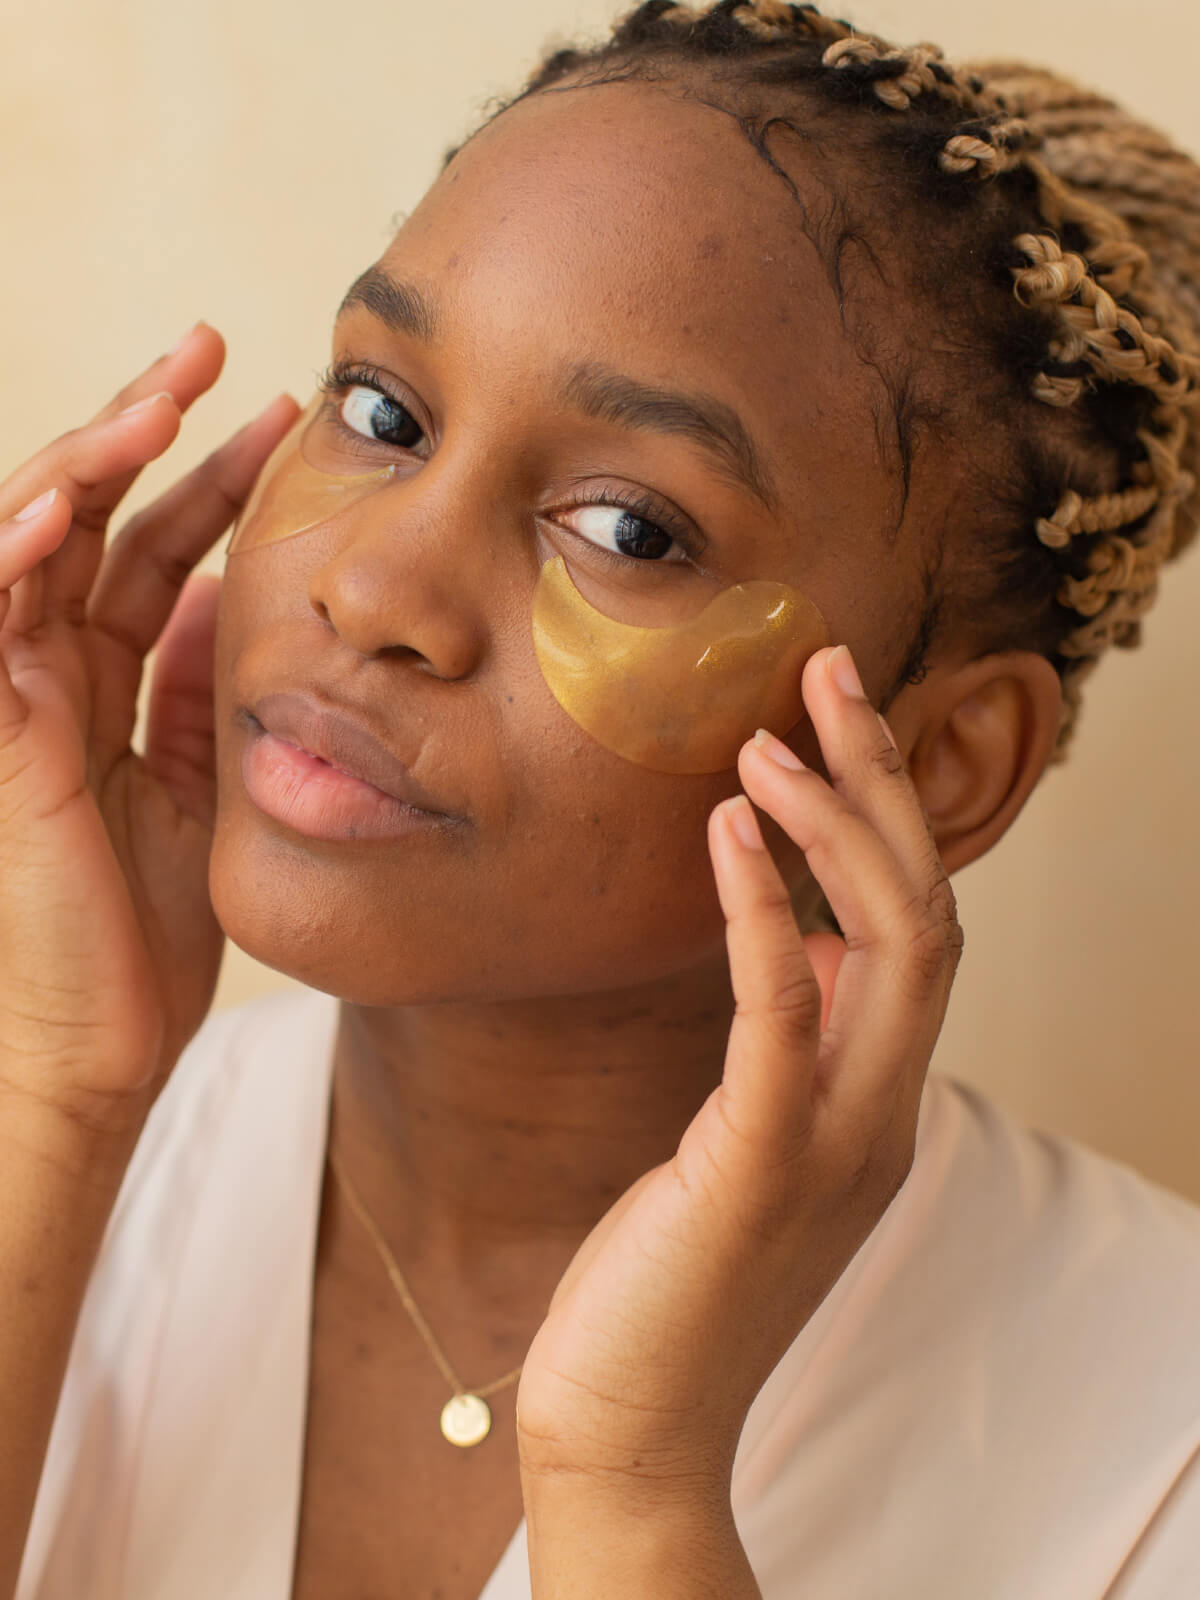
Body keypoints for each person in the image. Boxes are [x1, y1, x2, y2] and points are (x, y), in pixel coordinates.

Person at [4, 1, 1200, 1594]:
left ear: (943, 756)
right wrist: (59, 1101)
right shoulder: (66, 1138)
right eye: (383, 413)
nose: (372, 587)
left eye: (631, 530)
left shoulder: (1155, 1447)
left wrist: (631, 1472)